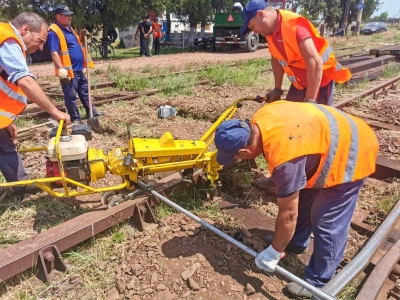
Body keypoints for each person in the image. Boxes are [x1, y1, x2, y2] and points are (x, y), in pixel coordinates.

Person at [214, 100, 378, 297]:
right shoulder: (261, 118)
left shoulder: (284, 158)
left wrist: (274, 252)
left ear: (244, 151)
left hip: (354, 148)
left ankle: (319, 281)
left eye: (235, 157)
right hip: (321, 142)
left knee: (327, 219)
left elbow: (288, 215)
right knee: (303, 197)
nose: (237, 161)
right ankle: (296, 242)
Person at [0, 12, 71, 197]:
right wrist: (55, 112)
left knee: (3, 142)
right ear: (25, 30)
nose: (40, 48)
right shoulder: (8, 40)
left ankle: (20, 185)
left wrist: (5, 121)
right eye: (39, 40)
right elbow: (24, 81)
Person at [240, 0, 351, 106]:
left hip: (319, 83)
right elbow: (276, 58)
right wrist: (277, 88)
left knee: (313, 122)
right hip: (299, 85)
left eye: (252, 26)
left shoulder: (294, 26)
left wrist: (310, 100)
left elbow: (315, 61)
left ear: (260, 14)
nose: (254, 31)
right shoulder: (270, 33)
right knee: (291, 120)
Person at [47, 4, 100, 124]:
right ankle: (76, 119)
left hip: (79, 69)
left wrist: (82, 35)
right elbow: (54, 52)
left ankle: (91, 111)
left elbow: (78, 43)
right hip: (68, 72)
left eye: (70, 16)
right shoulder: (53, 32)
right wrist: (61, 70)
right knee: (71, 96)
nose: (70, 18)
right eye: (67, 16)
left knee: (85, 91)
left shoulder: (69, 28)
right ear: (58, 16)